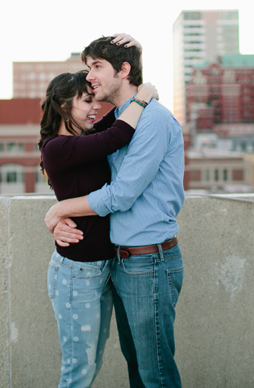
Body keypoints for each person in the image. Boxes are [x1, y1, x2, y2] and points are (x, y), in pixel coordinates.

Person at [45, 36, 185, 388]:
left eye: (96, 67)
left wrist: (59, 210)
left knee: (155, 375)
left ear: (122, 71)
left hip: (148, 261)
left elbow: (120, 194)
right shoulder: (124, 117)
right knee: (137, 369)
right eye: (88, 69)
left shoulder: (149, 119)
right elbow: (107, 141)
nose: (90, 77)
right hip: (121, 264)